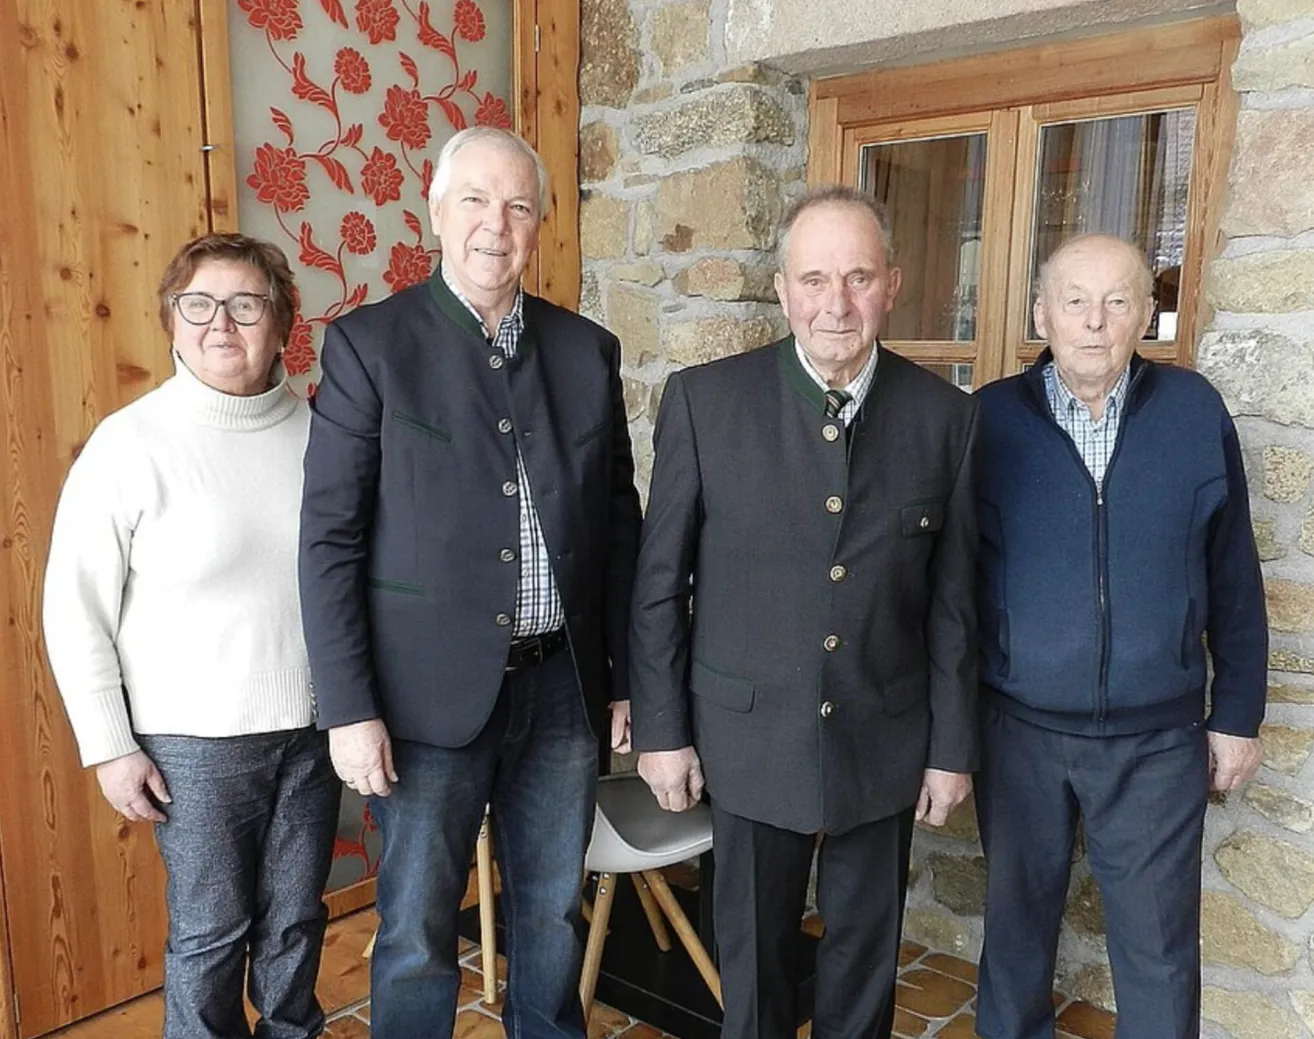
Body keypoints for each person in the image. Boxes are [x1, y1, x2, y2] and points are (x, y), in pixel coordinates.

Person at [298, 126, 642, 1039]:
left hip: (562, 696)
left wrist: (629, 675)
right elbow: (329, 540)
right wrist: (348, 707)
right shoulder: (369, 346)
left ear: (540, 225)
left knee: (550, 916)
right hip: (423, 705)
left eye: (520, 206)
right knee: (413, 928)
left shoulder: (586, 351)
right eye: (477, 201)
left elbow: (617, 526)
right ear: (437, 214)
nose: (498, 224)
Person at [629, 185, 980, 1039]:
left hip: (884, 739)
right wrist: (662, 731)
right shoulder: (706, 403)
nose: (837, 302)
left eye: (858, 277)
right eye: (815, 278)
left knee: (866, 962)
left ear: (892, 286)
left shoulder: (947, 418)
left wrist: (950, 748)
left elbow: (954, 603)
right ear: (782, 289)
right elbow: (658, 584)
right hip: (746, 740)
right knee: (750, 967)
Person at [42, 233, 339, 1039]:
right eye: (198, 304)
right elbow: (74, 607)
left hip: (313, 731)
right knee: (211, 936)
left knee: (295, 925)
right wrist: (109, 744)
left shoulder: (324, 436)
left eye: (246, 304)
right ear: (172, 322)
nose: (221, 324)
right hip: (195, 745)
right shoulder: (130, 443)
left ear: (281, 325)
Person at [973, 233, 1267, 1039]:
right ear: (1042, 313)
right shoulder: (988, 419)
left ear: (1147, 313)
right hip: (1018, 733)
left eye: (1117, 301)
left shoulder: (1194, 412)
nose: (1095, 322)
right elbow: (953, 583)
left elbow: (1235, 573)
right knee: (1014, 940)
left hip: (1155, 741)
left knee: (1161, 951)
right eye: (1074, 300)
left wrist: (1236, 713)